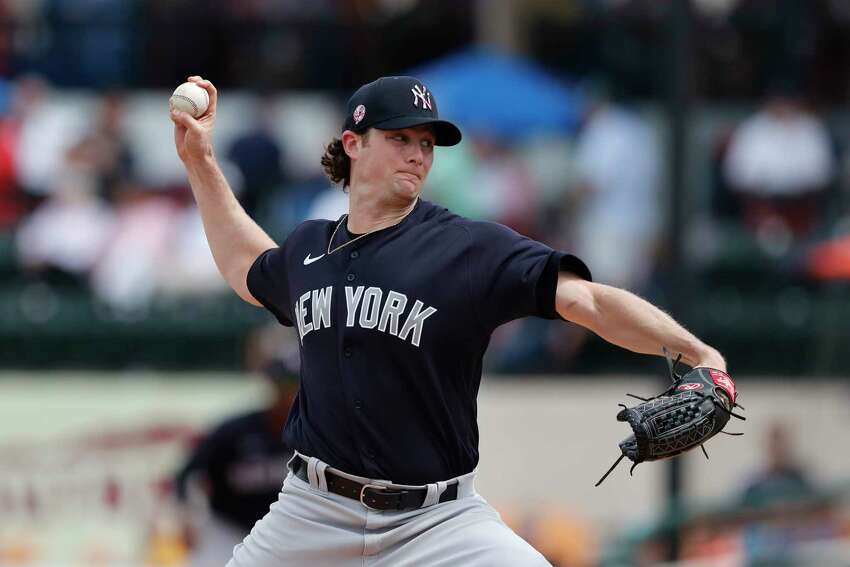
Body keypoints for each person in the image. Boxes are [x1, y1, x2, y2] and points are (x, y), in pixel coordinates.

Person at [170, 74, 728, 566]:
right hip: (311, 515)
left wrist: (699, 354)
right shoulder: (310, 247)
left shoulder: (467, 248)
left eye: (426, 143)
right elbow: (246, 265)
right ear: (353, 144)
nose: (417, 153)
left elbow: (590, 302)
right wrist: (200, 161)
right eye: (400, 138)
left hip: (437, 523)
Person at [173, 356, 299, 567]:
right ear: (273, 386)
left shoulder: (312, 437)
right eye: (284, 385)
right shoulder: (236, 431)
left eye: (296, 385)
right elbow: (187, 473)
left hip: (283, 531)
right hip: (226, 529)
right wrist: (187, 514)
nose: (290, 393)